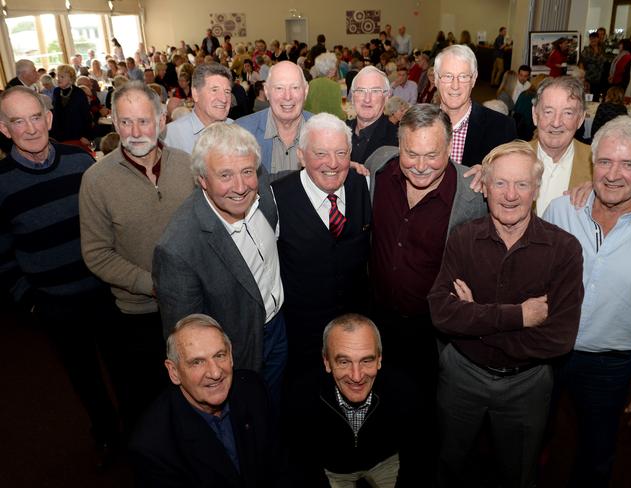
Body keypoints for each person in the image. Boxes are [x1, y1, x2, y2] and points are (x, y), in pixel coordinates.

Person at [429, 140, 584, 488]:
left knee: (518, 473)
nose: (510, 194)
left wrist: (473, 317)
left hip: (527, 384)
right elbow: (441, 314)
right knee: (449, 464)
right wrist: (517, 317)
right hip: (461, 376)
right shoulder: (462, 239)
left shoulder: (564, 250)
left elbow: (558, 338)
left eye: (521, 184)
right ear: (484, 187)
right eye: (500, 183)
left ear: (536, 189)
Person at [0, 86, 120, 465]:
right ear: (5, 130)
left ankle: (142, 435)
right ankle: (107, 436)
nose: (31, 128)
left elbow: (107, 224)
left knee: (123, 367)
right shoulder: (1, 184)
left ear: (49, 119)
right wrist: (30, 300)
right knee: (84, 376)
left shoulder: (80, 162)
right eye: (18, 121)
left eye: (36, 117)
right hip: (54, 303)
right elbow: (2, 254)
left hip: (104, 291)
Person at [79, 81, 195, 433]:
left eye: (144, 121)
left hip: (193, 308)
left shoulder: (189, 166)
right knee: (148, 407)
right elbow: (96, 254)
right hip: (136, 317)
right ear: (113, 122)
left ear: (161, 121)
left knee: (195, 398)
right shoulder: (96, 181)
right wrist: (154, 285)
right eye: (126, 122)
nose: (135, 131)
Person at [365, 103, 487, 437]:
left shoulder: (474, 193)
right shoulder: (379, 166)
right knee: (379, 406)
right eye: (411, 153)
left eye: (432, 155)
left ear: (450, 148)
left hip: (431, 333)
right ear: (399, 145)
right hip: (377, 320)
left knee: (427, 418)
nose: (420, 166)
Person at [543, 116, 631, 488]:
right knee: (535, 443)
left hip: (611, 367)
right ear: (592, 164)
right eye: (605, 161)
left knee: (597, 454)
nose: (613, 174)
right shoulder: (561, 211)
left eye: (628, 164)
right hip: (547, 356)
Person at [153, 123, 286, 407]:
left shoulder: (260, 187)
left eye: (247, 172)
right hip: (237, 351)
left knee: (274, 405)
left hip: (279, 329)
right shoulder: (178, 248)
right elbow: (185, 339)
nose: (240, 187)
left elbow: (284, 178)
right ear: (202, 179)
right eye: (225, 175)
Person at [130, 313, 287, 488]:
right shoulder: (153, 446)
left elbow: (279, 463)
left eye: (220, 355)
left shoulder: (252, 389)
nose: (215, 373)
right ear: (174, 372)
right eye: (197, 362)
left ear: (232, 357)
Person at [271, 113, 371, 376]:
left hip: (354, 338)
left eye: (341, 152)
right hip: (302, 338)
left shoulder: (363, 185)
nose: (333, 163)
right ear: (301, 156)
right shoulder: (275, 197)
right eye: (321, 154)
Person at [286, 314, 423, 487]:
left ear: (379, 360)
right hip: (334, 470)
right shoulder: (303, 396)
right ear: (327, 362)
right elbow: (302, 462)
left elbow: (418, 453)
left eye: (366, 360)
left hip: (384, 462)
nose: (356, 376)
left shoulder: (403, 390)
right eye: (344, 362)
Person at [434, 44, 516, 166]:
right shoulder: (416, 125)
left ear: (474, 79)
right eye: (447, 76)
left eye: (463, 77)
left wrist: (488, 175)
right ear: (436, 79)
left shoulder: (502, 128)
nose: (455, 85)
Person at [236, 61, 312, 175]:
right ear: (266, 91)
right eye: (279, 88)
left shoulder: (325, 132)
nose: (287, 96)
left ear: (306, 91)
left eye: (295, 87)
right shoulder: (240, 133)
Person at [530, 76, 592, 215]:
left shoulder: (599, 165)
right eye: (548, 112)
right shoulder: (509, 158)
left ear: (580, 119)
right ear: (535, 115)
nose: (556, 123)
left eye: (568, 113)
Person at [163, 62, 233, 154]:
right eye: (214, 90)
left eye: (227, 91)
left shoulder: (236, 129)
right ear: (195, 94)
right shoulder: (171, 136)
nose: (224, 99)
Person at [347, 66, 398, 165]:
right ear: (352, 97)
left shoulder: (396, 140)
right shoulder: (340, 131)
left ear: (386, 97)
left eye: (375, 91)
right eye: (361, 90)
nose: (367, 99)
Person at [50, 64, 93, 149]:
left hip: (77, 136)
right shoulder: (56, 91)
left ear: (70, 79)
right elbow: (56, 114)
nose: (58, 79)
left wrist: (86, 136)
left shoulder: (79, 93)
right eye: (58, 76)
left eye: (62, 77)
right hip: (59, 137)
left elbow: (86, 116)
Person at [304, 52, 346, 121]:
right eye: (335, 66)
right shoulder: (335, 86)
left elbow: (307, 107)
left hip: (312, 122)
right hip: (328, 125)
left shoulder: (312, 83)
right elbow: (337, 114)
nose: (336, 68)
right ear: (331, 68)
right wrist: (345, 115)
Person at [580, 32, 606, 100]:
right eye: (591, 38)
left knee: (597, 97)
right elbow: (581, 63)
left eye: (594, 38)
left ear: (598, 39)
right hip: (588, 78)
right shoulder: (586, 50)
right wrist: (583, 78)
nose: (593, 40)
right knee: (588, 98)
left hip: (599, 78)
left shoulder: (602, 49)